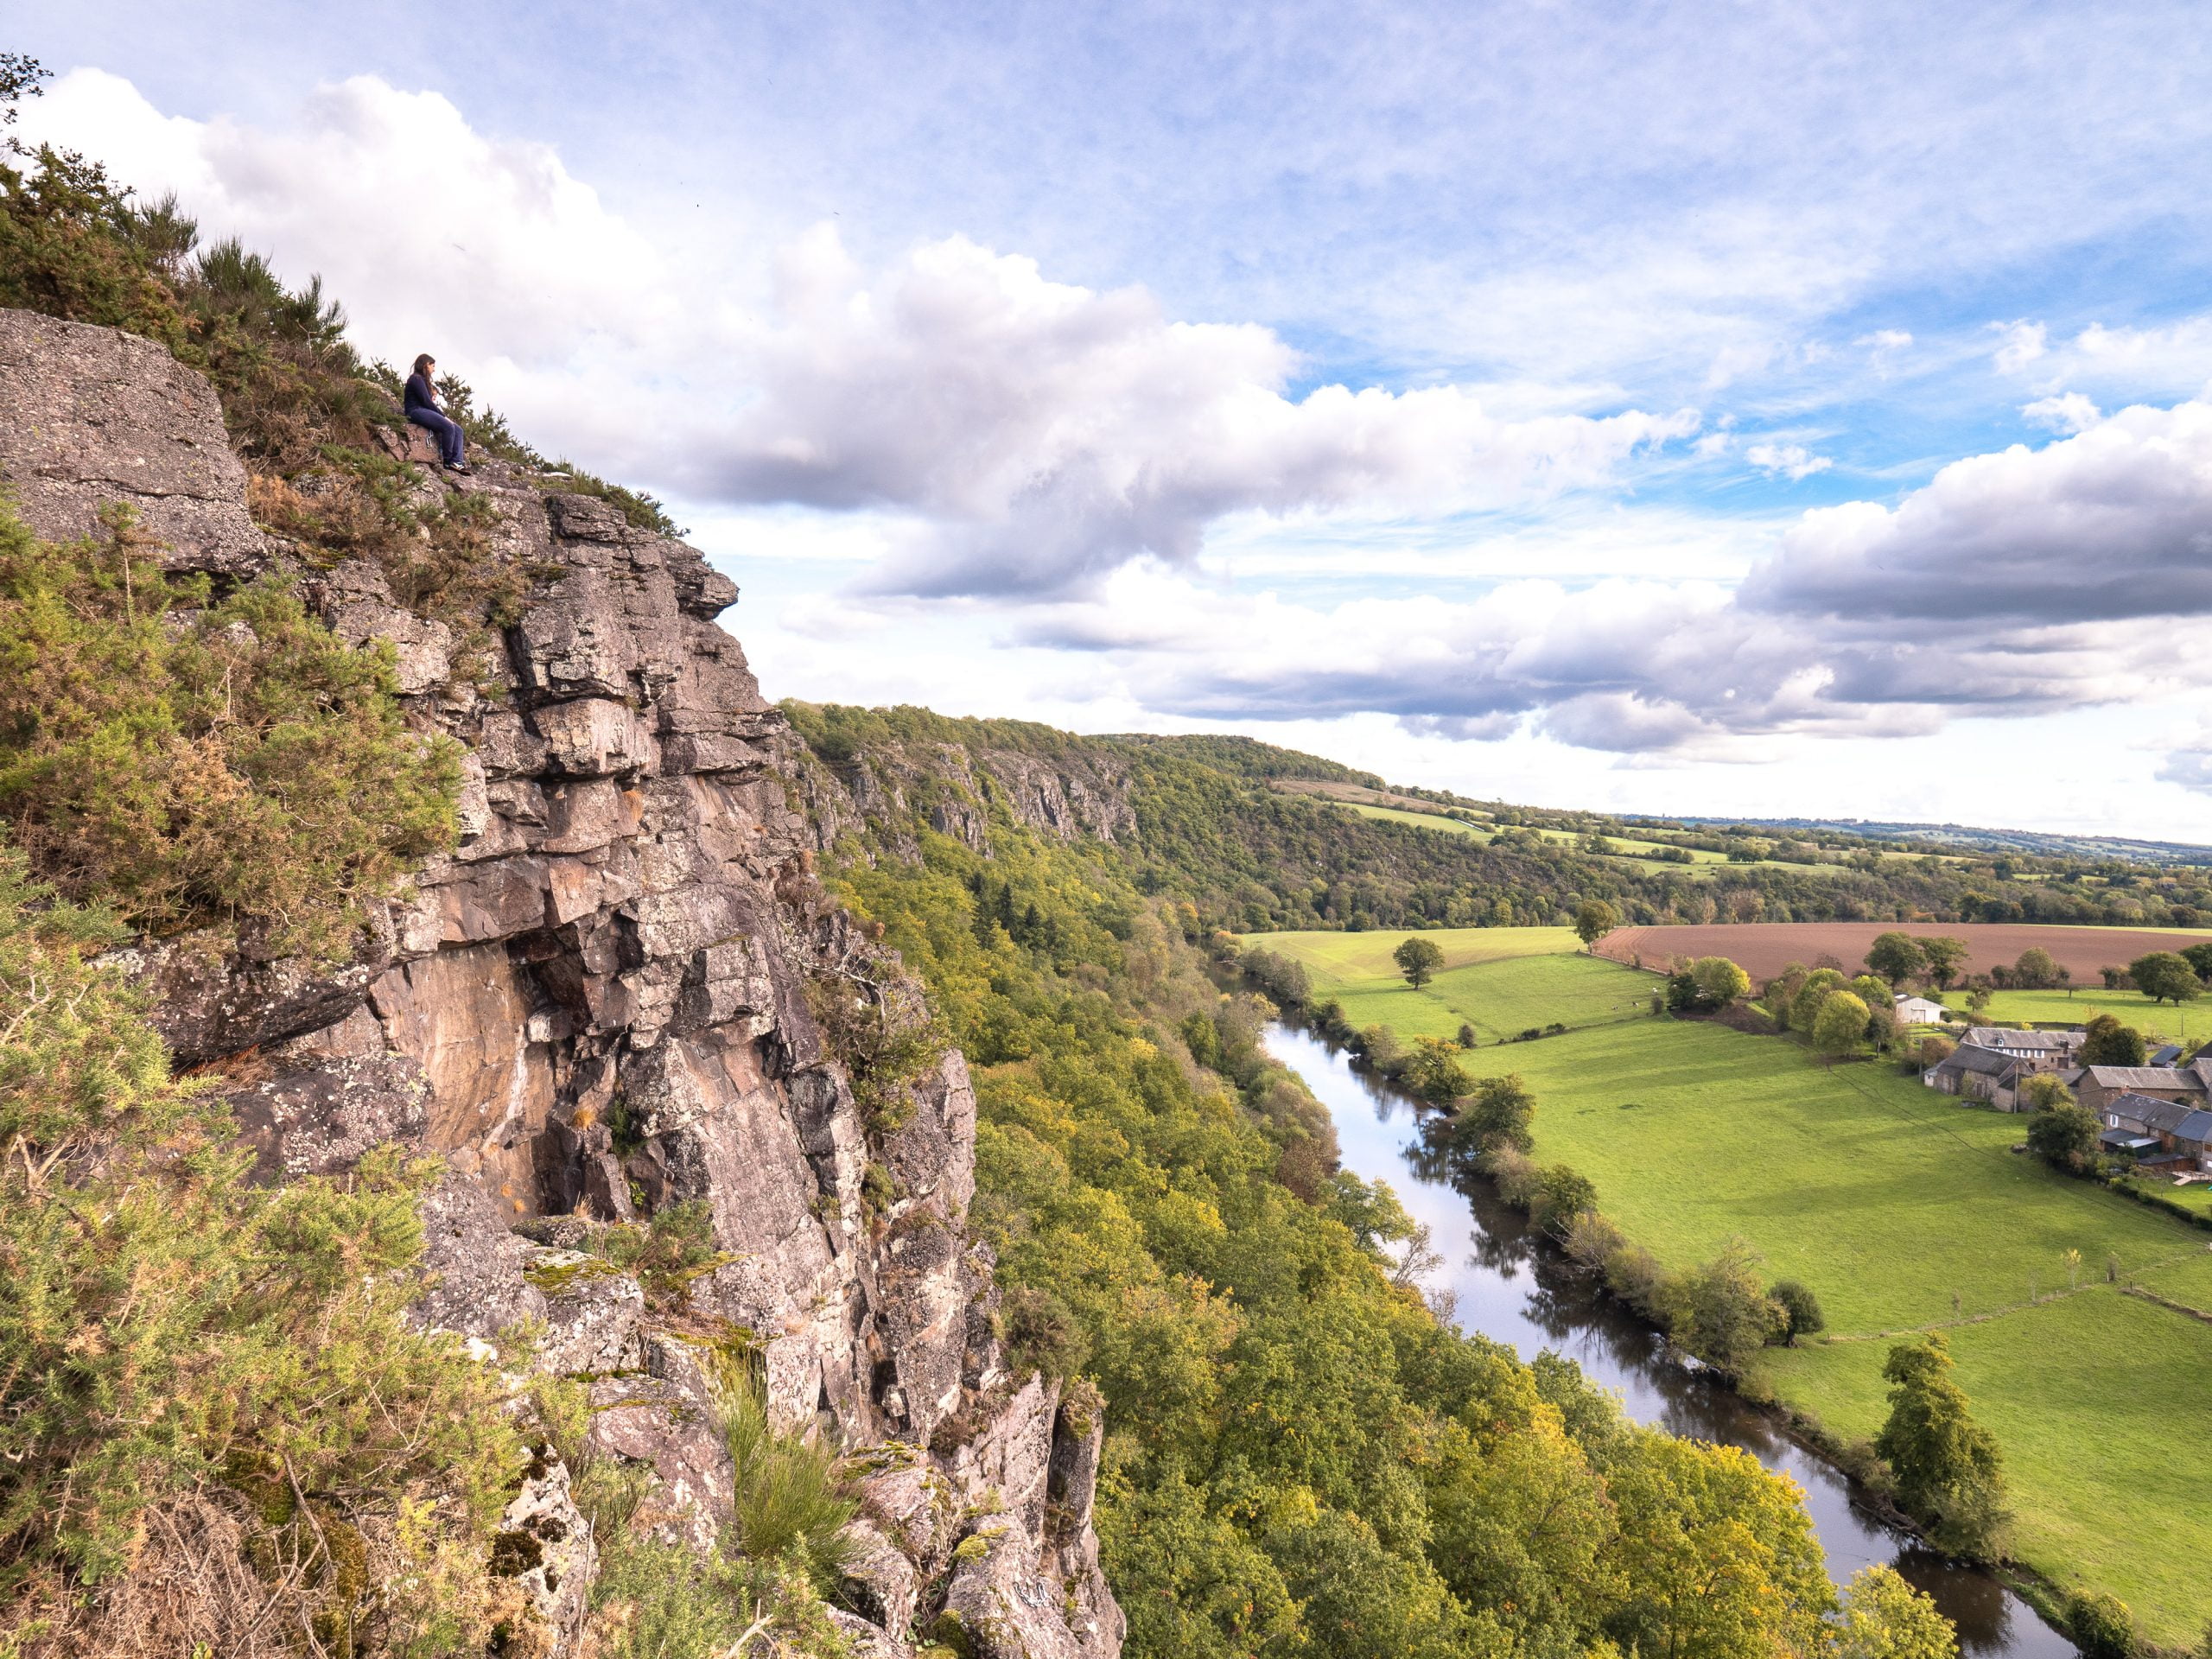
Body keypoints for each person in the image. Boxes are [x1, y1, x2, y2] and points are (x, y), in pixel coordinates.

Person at [404, 353, 469, 473]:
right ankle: (448, 461)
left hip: (424, 410)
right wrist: (444, 417)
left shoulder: (423, 380)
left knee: (458, 429)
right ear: (426, 365)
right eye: (432, 366)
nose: (434, 369)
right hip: (414, 411)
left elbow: (428, 403)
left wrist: (443, 416)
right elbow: (426, 401)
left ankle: (457, 462)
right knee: (448, 426)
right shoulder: (416, 379)